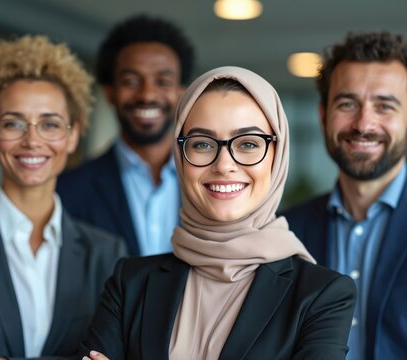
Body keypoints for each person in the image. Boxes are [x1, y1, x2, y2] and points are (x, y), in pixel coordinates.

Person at [78, 66, 356, 360]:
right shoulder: (130, 282)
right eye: (201, 144)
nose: (224, 164)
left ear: (278, 154)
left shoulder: (322, 295)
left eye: (248, 144)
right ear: (180, 156)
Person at [0, 35, 127, 359]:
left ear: (72, 135)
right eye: (13, 123)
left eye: (50, 124)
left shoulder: (106, 254)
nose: (32, 140)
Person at [281, 32, 407, 359]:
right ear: (323, 116)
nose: (364, 123)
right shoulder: (286, 231)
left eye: (384, 106)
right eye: (347, 104)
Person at [57, 15, 195, 256]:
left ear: (182, 92)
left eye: (163, 81)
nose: (147, 95)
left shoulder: (212, 182)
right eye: (131, 81)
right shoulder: (68, 192)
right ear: (110, 92)